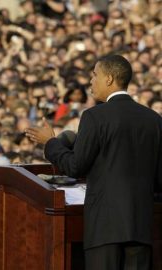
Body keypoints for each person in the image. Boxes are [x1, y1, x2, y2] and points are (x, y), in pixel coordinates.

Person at [25, 55, 162, 270]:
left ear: (109, 79)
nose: (91, 81)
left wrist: (50, 143)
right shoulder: (154, 120)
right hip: (141, 228)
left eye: (94, 75)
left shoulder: (95, 116)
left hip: (104, 229)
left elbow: (75, 166)